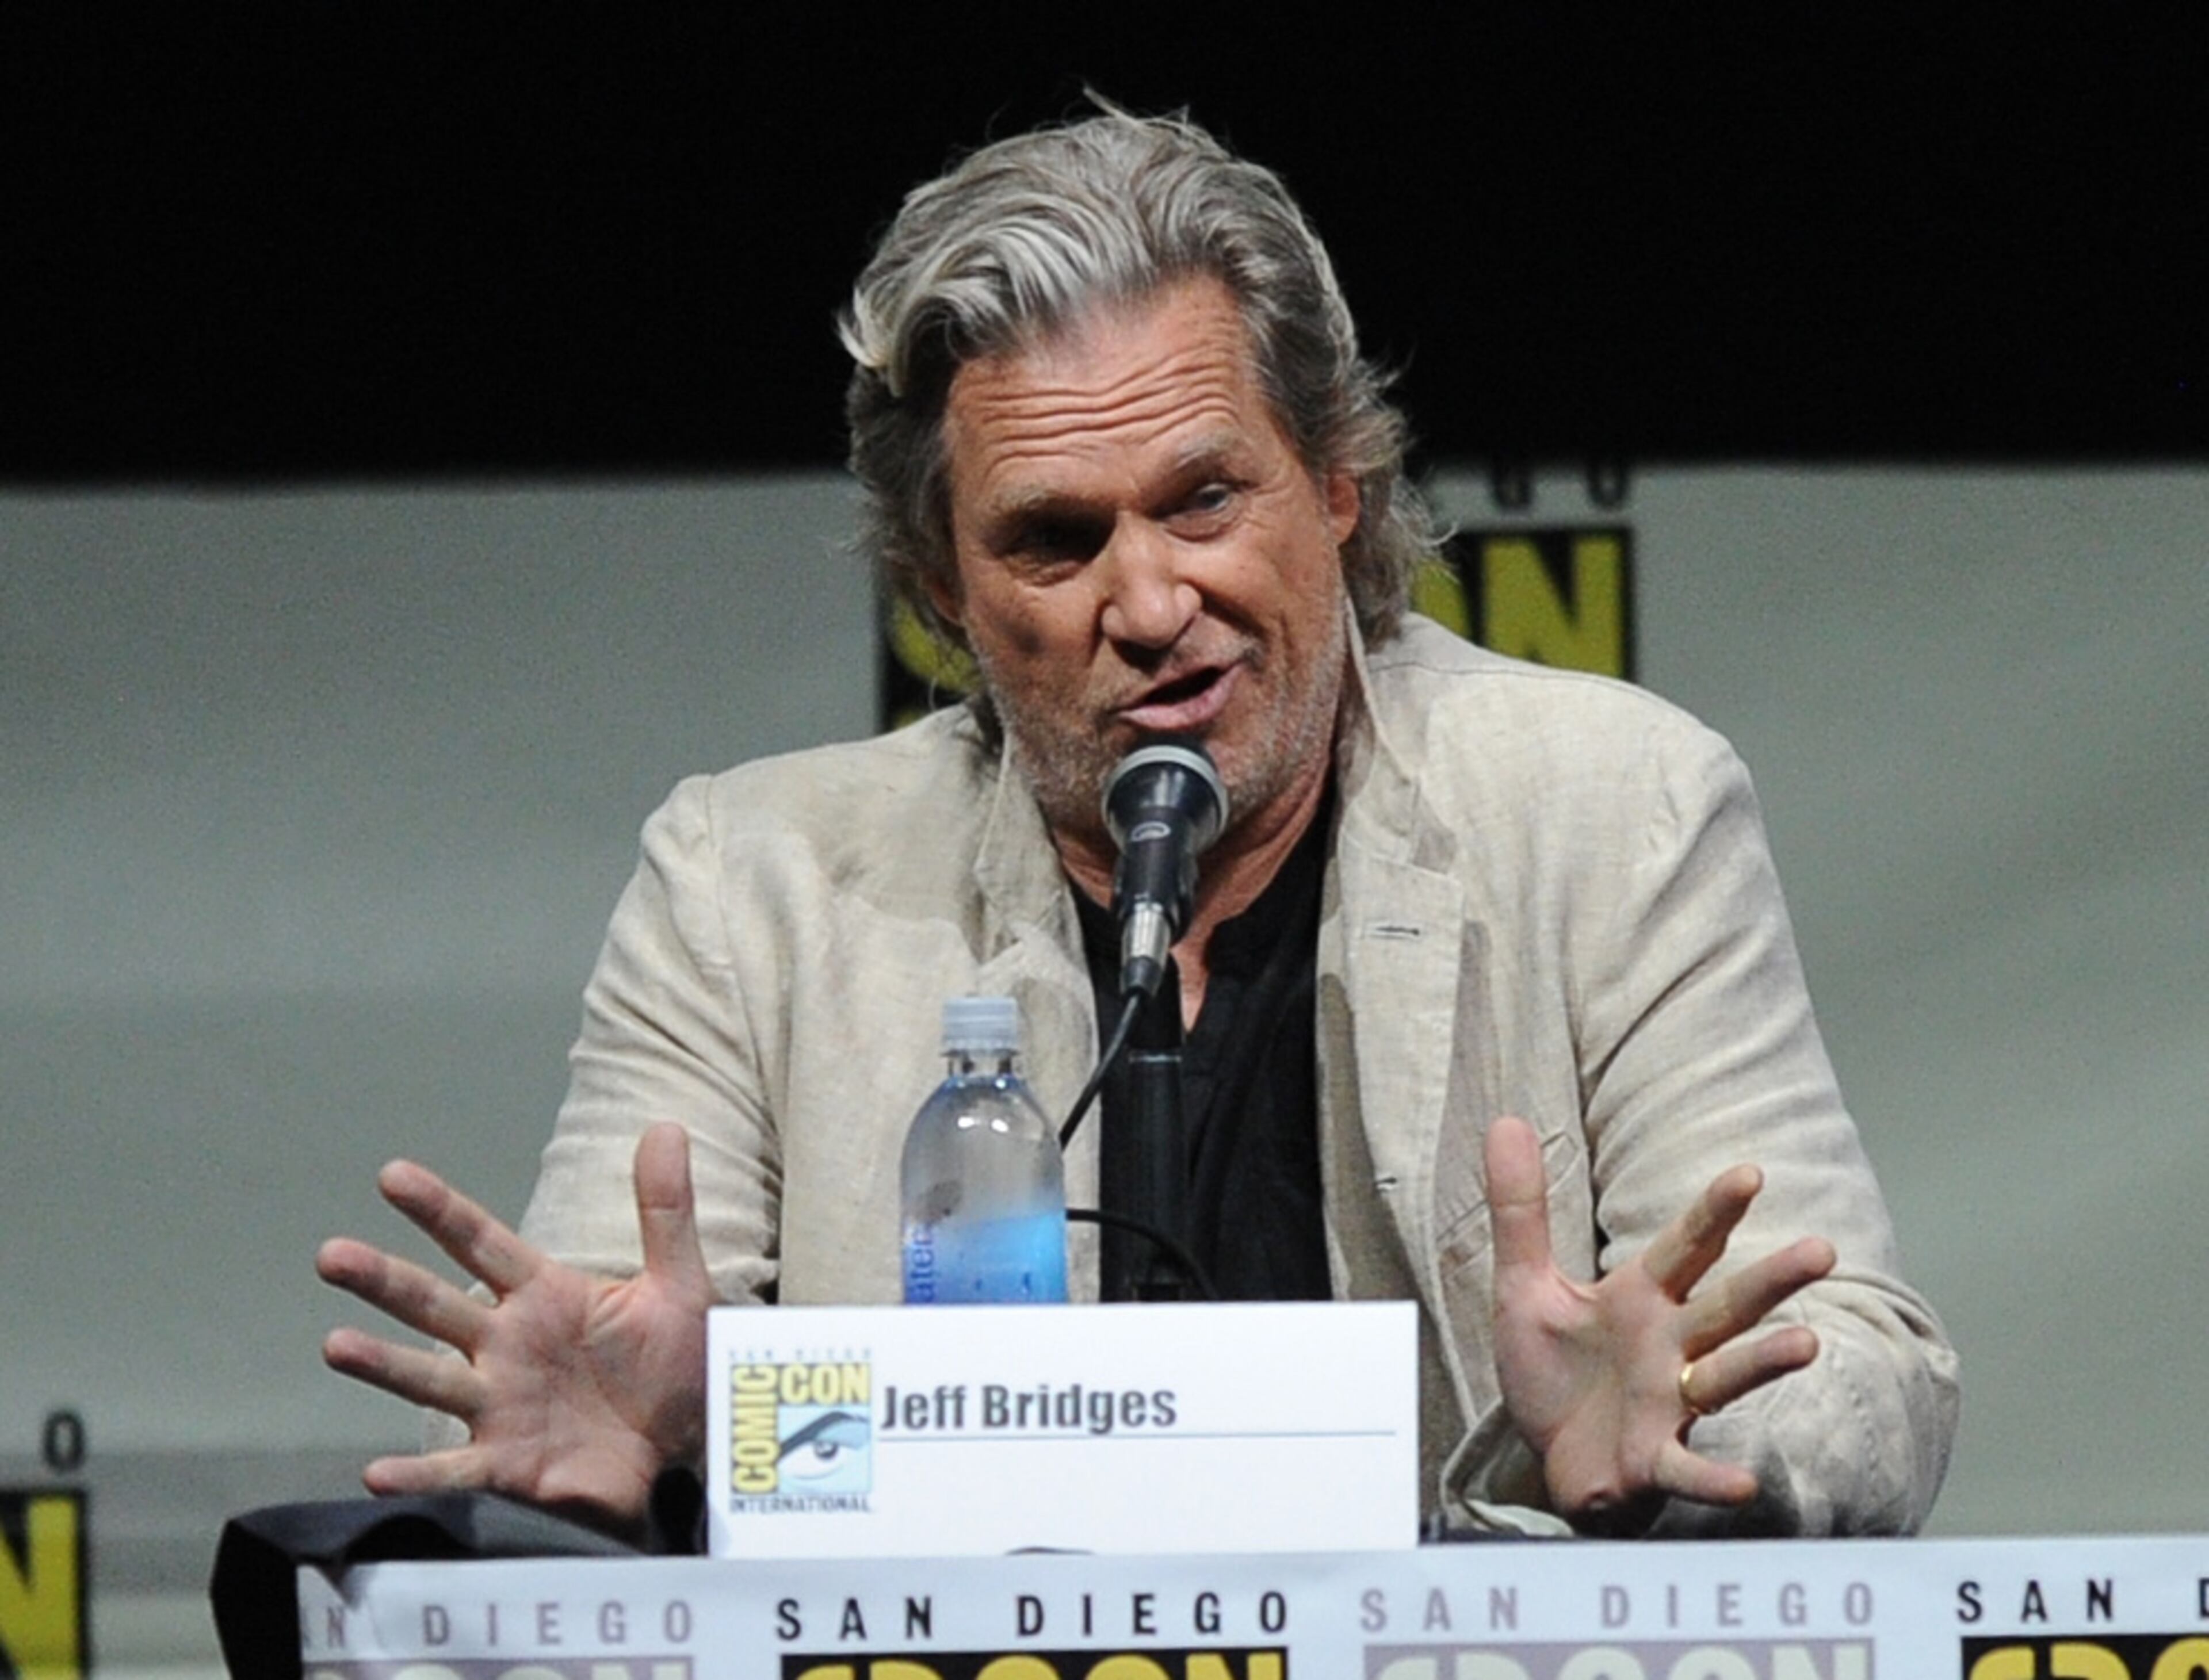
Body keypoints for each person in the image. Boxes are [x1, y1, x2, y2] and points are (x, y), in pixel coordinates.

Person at [318, 108, 1959, 1540]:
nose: (1154, 603)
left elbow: (1869, 1368)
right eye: (1056, 539)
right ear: (940, 593)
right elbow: (608, 1366)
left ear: (1338, 487)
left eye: (1205, 498)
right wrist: (631, 1470)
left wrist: (1693, 1447)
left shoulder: (1613, 809)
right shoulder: (752, 888)